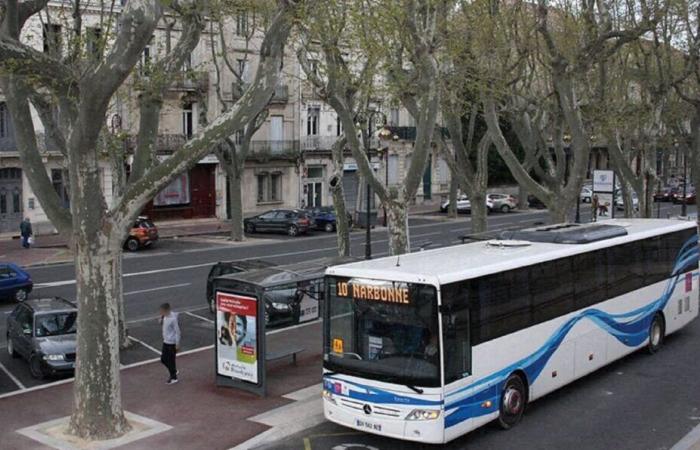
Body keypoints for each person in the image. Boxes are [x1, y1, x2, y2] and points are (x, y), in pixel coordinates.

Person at [159, 303, 180, 384]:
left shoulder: (173, 319)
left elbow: (178, 332)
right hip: (165, 341)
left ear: (166, 310)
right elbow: (162, 323)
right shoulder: (164, 317)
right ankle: (173, 371)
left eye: (162, 311)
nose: (160, 312)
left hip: (171, 343)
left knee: (171, 360)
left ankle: (174, 377)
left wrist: (177, 344)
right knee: (163, 359)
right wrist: (161, 320)